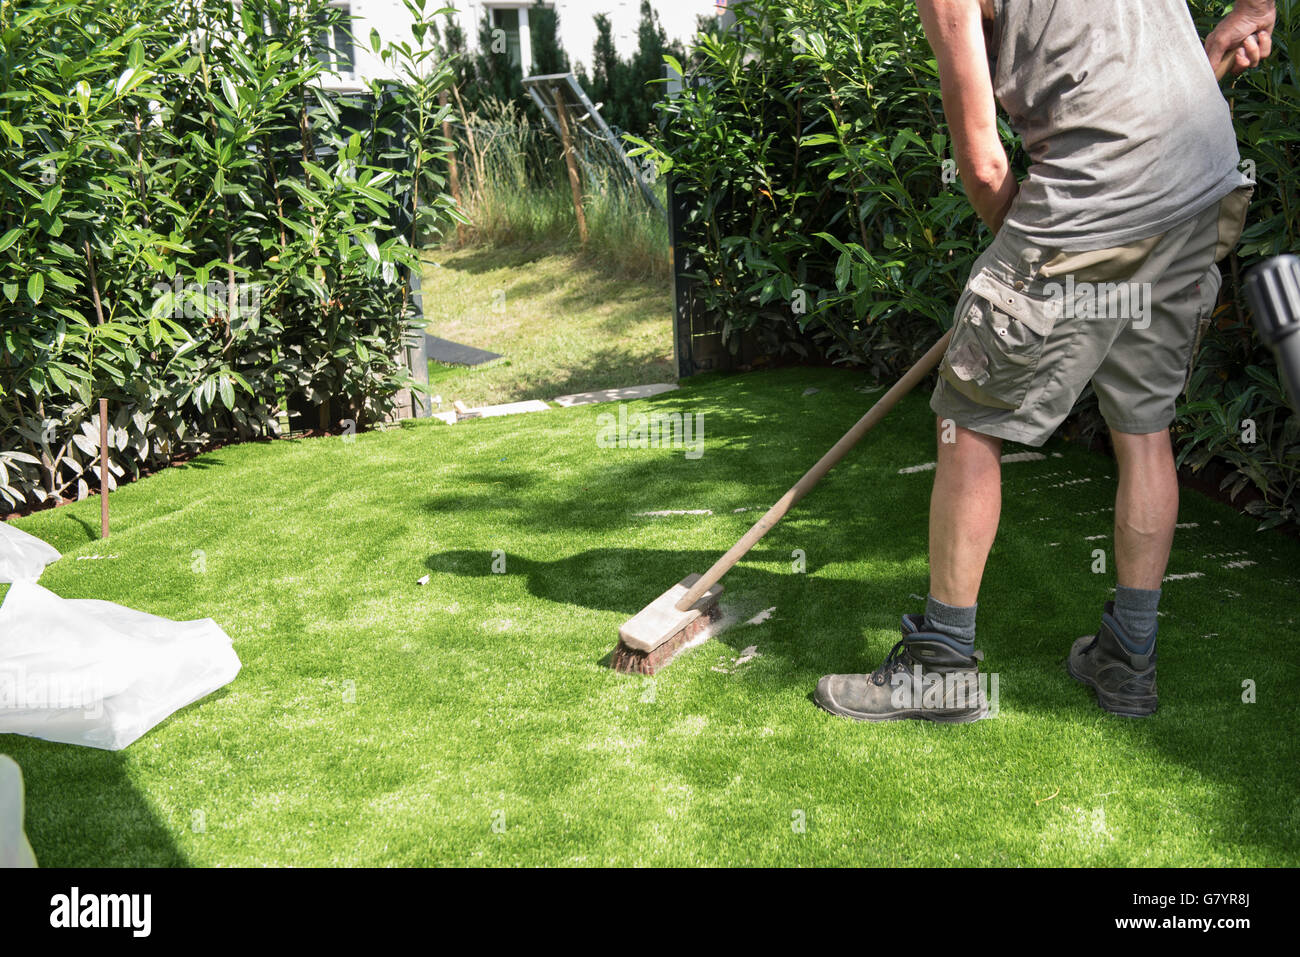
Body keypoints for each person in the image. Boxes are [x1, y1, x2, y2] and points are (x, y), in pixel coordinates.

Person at [815, 0, 1277, 722]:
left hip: (1101, 196)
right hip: (1201, 184)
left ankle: (939, 664)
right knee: (1144, 423)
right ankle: (1128, 660)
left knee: (968, 422)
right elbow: (1133, 80)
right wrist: (1226, 36)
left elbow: (981, 160)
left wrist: (1025, 274)